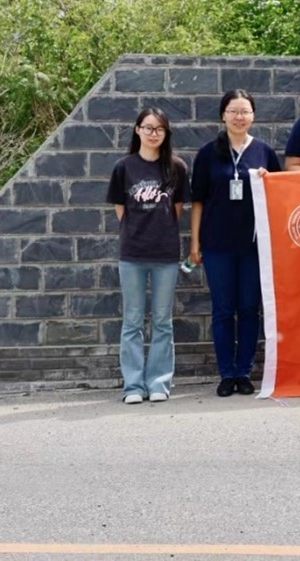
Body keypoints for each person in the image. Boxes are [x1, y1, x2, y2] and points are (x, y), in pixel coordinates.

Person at [189, 90, 283, 397]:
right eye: (233, 111)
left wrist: (269, 181)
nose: (239, 117)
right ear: (223, 115)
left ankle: (244, 372)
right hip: (217, 245)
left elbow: (281, 196)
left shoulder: (264, 152)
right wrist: (195, 243)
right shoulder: (207, 153)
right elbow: (198, 201)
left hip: (254, 245)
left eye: (245, 111)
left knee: (249, 308)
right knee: (223, 310)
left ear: (253, 116)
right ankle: (226, 373)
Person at [106, 108, 190, 404]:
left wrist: (158, 230)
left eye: (159, 129)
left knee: (163, 320)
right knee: (132, 321)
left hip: (166, 254)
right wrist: (137, 231)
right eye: (148, 127)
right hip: (132, 254)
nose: (153, 133)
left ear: (166, 133)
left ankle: (158, 383)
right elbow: (121, 209)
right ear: (137, 129)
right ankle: (133, 386)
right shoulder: (124, 167)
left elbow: (177, 210)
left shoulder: (176, 167)